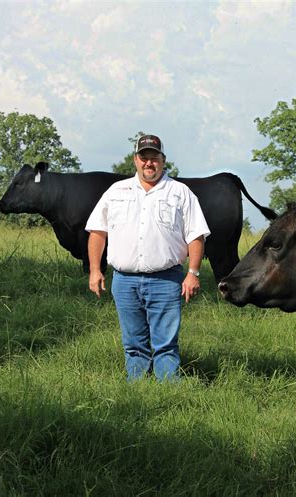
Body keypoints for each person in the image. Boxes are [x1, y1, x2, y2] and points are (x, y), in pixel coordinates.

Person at [86, 134, 210, 382]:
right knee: (133, 343)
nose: (149, 163)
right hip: (124, 281)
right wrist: (95, 270)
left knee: (166, 344)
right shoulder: (116, 191)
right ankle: (138, 390)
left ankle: (167, 391)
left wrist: (193, 273)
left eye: (154, 158)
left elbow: (196, 236)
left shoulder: (180, 193)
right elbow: (98, 231)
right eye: (144, 158)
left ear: (163, 161)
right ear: (135, 160)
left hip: (166, 280)